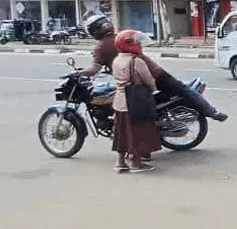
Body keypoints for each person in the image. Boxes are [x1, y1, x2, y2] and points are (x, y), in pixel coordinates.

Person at [80, 14, 227, 122]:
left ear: (93, 31)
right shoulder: (123, 36)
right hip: (155, 72)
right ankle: (211, 111)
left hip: (136, 84)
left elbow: (94, 68)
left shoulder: (100, 47)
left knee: (124, 110)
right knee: (182, 89)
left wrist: (78, 73)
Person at [111, 30, 161, 173]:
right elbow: (149, 81)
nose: (140, 45)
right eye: (137, 42)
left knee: (121, 133)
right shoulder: (136, 61)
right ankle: (136, 163)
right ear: (130, 44)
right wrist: (153, 88)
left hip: (119, 101)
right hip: (134, 102)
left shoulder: (117, 60)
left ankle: (120, 162)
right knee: (137, 133)